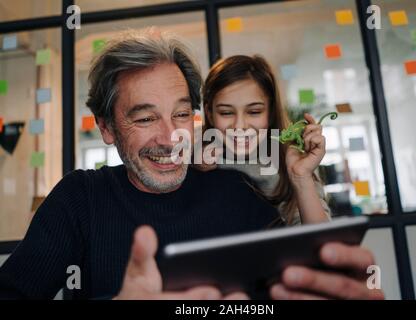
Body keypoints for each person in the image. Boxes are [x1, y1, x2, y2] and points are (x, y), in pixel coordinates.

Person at [0, 28, 383, 300]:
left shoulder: (234, 191)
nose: (171, 139)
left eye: (181, 115)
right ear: (107, 128)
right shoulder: (79, 200)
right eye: (146, 118)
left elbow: (299, 282)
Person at [201, 55, 331, 226]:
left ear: (270, 113)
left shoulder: (293, 162)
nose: (239, 126)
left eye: (254, 112)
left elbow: (323, 245)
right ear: (210, 114)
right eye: (226, 112)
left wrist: (301, 178)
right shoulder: (191, 160)